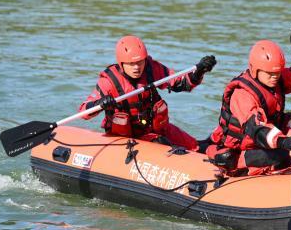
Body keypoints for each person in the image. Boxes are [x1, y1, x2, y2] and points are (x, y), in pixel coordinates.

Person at [206, 27, 291, 176]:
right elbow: (256, 129)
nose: (275, 76)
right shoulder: (242, 94)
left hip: (264, 146)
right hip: (238, 152)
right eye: (269, 73)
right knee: (281, 154)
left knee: (283, 156)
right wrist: (283, 142)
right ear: (255, 69)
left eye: (277, 72)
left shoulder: (275, 79)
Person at [79, 35, 216, 150]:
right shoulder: (109, 81)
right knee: (161, 144)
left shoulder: (151, 69)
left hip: (155, 130)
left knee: (197, 147)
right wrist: (100, 104)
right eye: (131, 64)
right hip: (126, 138)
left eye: (140, 62)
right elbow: (83, 111)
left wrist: (199, 72)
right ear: (121, 63)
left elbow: (181, 83)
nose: (137, 68)